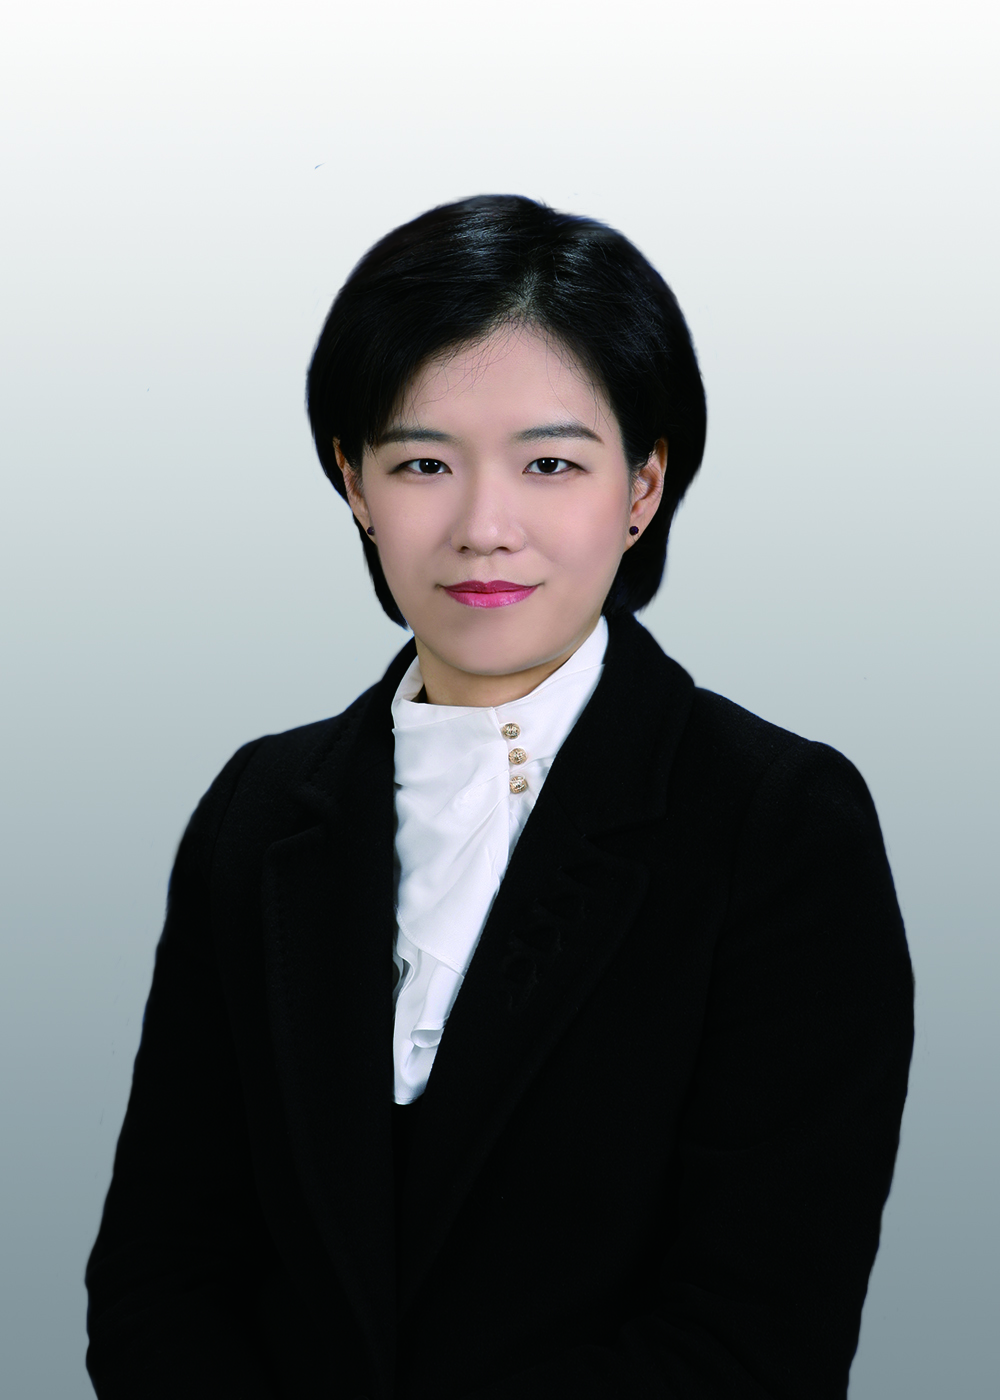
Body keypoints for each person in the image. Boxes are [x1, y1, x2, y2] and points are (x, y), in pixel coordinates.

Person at [85, 194, 914, 1400]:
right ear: (353, 481)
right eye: (422, 462)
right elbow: (160, 1272)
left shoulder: (777, 824)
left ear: (643, 483)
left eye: (550, 464)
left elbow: (755, 1339)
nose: (483, 527)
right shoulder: (259, 809)